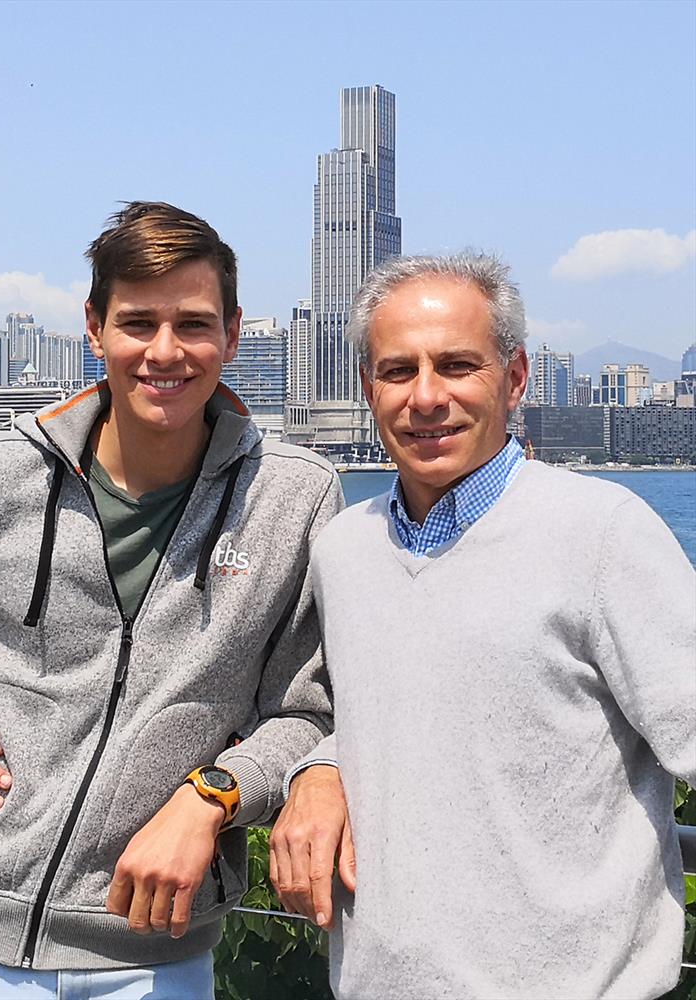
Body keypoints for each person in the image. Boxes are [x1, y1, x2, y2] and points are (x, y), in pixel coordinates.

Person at [0, 201, 343, 999]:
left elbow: (306, 709)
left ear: (233, 335)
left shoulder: (294, 498)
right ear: (94, 329)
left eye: (194, 324)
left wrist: (215, 797)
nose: (165, 352)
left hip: (154, 955)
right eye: (138, 322)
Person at [270, 252, 696, 1000]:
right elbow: (374, 709)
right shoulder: (343, 549)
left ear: (516, 377)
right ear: (368, 388)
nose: (426, 397)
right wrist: (320, 769)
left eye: (458, 366)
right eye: (398, 371)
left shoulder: (603, 534)